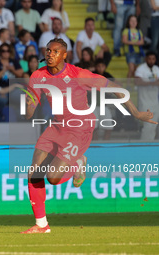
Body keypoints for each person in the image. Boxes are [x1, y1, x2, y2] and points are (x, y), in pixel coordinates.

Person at [21, 38, 157, 234]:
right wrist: (29, 103)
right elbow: (29, 114)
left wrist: (135, 113)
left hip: (79, 128)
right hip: (57, 127)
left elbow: (116, 88)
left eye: (55, 51)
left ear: (64, 55)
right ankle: (42, 225)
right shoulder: (37, 76)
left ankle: (78, 164)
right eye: (48, 50)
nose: (50, 54)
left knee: (52, 177)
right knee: (34, 173)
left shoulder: (79, 75)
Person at [135, 51, 159, 140]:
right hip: (144, 101)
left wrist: (147, 82)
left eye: (153, 59)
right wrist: (152, 83)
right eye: (149, 59)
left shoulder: (157, 69)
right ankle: (143, 144)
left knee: (154, 126)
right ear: (146, 59)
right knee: (148, 125)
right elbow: (137, 81)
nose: (151, 61)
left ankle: (150, 145)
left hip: (155, 102)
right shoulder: (141, 69)